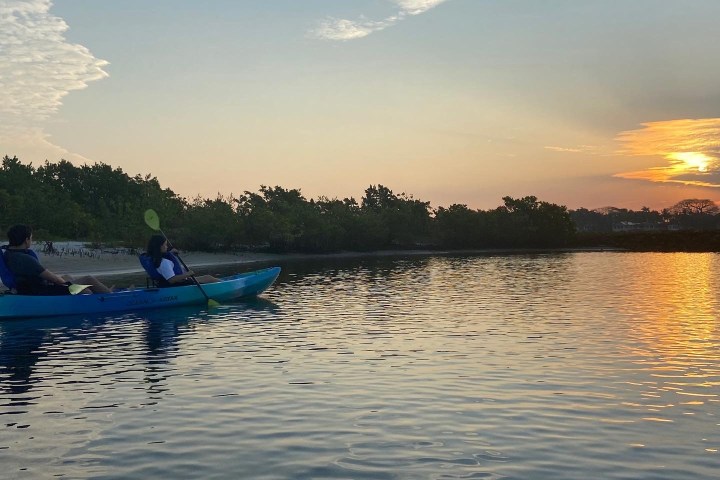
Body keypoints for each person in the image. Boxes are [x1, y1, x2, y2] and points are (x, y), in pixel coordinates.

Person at [4, 225, 113, 295]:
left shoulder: (9, 253)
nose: (31, 241)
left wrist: (68, 282)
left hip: (31, 287)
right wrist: (68, 285)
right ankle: (111, 297)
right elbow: (55, 279)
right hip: (41, 291)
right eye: (31, 238)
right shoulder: (24, 259)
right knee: (89, 280)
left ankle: (97, 293)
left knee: (68, 277)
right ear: (26, 240)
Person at [145, 234, 220, 286]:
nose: (167, 247)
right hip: (176, 285)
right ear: (159, 246)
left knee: (207, 277)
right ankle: (227, 286)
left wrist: (170, 253)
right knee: (208, 278)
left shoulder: (155, 258)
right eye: (165, 245)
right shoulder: (163, 262)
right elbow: (171, 280)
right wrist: (187, 274)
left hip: (168, 284)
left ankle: (224, 283)